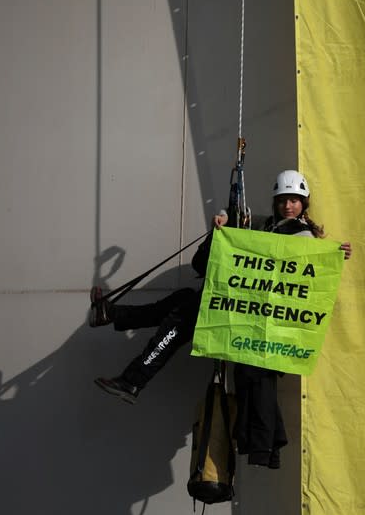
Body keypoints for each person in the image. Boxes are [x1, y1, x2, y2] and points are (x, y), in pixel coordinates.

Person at [89, 170, 351, 408]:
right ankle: (112, 315)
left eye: (293, 200)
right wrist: (224, 217)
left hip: (250, 313)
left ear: (303, 203)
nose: (288, 206)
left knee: (180, 320)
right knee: (182, 300)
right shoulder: (272, 224)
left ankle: (132, 379)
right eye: (283, 200)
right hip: (236, 302)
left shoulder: (302, 236)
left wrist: (336, 254)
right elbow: (239, 214)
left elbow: (312, 265)